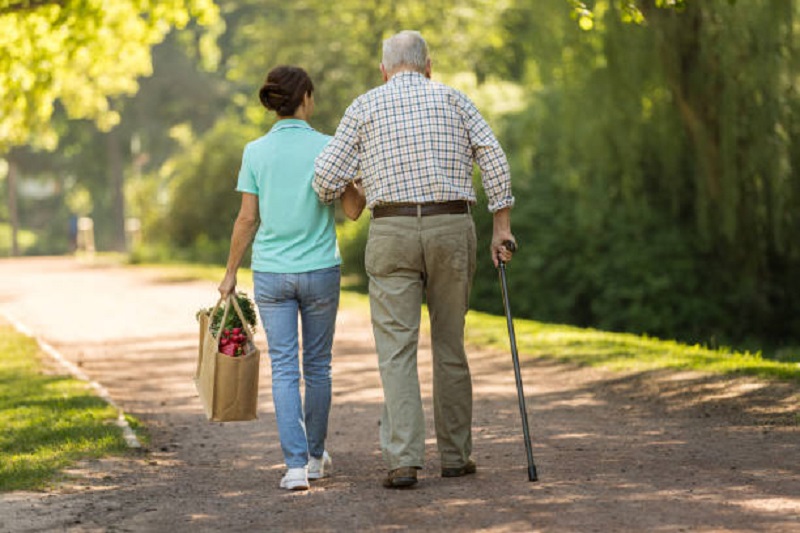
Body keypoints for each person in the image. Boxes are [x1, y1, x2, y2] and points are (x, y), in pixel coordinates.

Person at [313, 30, 515, 489]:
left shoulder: (364, 106)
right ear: (429, 65)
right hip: (451, 226)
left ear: (383, 70)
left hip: (391, 228)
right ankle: (455, 456)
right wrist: (501, 226)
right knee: (450, 343)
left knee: (397, 349)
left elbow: (325, 179)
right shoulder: (456, 100)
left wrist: (360, 183)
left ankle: (403, 460)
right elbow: (495, 158)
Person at [218, 65, 365, 491]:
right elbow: (354, 209)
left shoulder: (255, 151)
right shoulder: (329, 147)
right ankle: (317, 458)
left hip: (271, 274)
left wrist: (230, 273)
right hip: (320, 270)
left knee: (284, 370)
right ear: (305, 99)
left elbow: (247, 219)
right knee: (318, 367)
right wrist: (354, 174)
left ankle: (296, 467)